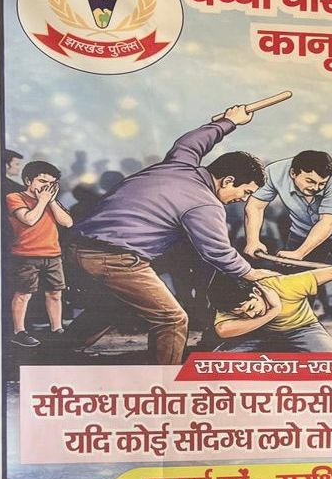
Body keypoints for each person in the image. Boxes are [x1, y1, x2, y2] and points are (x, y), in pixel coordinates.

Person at [61, 106, 276, 364]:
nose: (243, 199)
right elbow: (218, 252)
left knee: (117, 303)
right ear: (228, 180)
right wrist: (252, 273)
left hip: (76, 246)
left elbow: (191, 141)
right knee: (172, 319)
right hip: (115, 258)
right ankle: (163, 380)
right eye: (246, 192)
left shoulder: (179, 163)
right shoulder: (205, 203)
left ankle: (56, 353)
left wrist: (228, 122)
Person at [243, 150, 332, 352]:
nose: (315, 188)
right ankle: (291, 337)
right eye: (310, 181)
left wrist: (299, 253)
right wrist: (253, 240)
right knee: (293, 284)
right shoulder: (274, 173)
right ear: (293, 173)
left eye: (321, 184)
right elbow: (255, 206)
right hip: (302, 231)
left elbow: (329, 222)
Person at [7, 160, 73, 346]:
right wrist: (43, 201)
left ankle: (57, 329)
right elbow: (29, 220)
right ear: (28, 181)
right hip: (26, 254)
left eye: (51, 183)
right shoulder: (15, 197)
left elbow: (68, 222)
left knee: (55, 294)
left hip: (53, 254)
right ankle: (19, 331)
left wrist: (51, 202)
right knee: (23, 294)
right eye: (42, 181)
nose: (46, 187)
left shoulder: (51, 201)